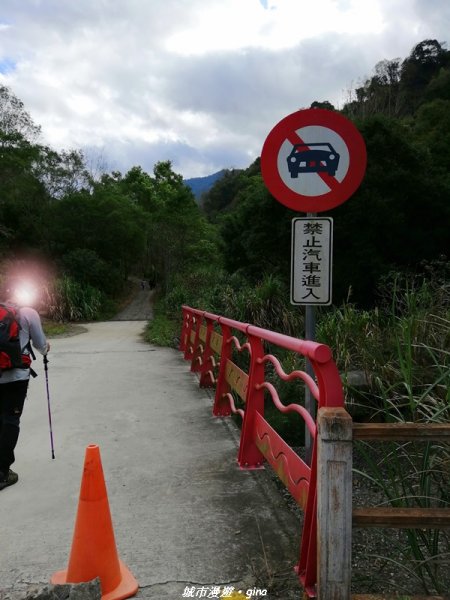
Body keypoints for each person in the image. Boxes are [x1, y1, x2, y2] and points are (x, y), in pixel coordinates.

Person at [0, 280, 50, 490]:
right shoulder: (28, 313)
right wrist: (46, 349)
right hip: (17, 377)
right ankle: (2, 472)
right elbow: (40, 345)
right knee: (11, 420)